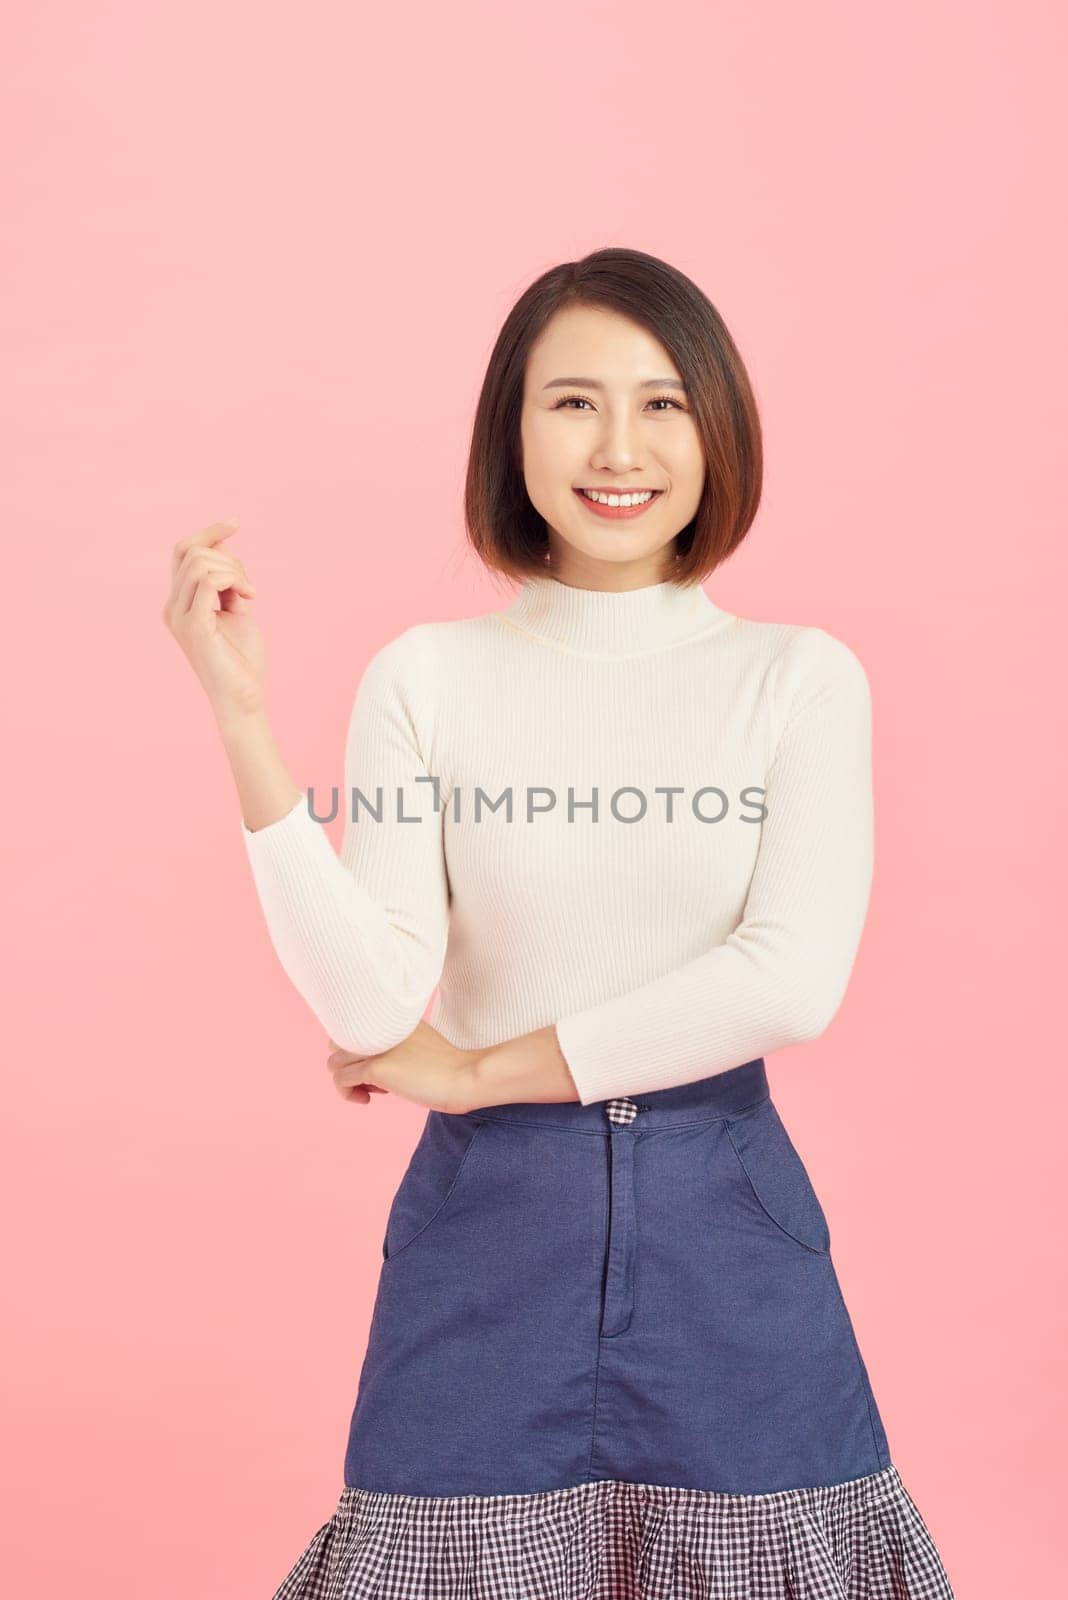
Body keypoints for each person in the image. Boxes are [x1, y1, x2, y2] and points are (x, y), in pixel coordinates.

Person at [164, 247, 956, 1598]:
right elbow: (370, 1006)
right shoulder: (428, 677)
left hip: (730, 1230)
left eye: (660, 403)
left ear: (718, 427)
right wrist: (241, 716)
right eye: (572, 401)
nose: (618, 446)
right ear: (510, 432)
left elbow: (789, 980)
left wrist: (473, 1070)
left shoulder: (798, 681)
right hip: (487, 1230)